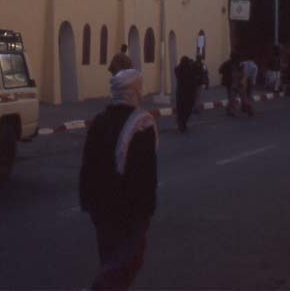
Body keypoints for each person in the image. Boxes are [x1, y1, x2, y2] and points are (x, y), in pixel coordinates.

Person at [79, 69, 158, 290]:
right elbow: (145, 173)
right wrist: (146, 208)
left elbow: (88, 164)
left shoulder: (100, 121)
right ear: (135, 91)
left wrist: (87, 199)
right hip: (128, 207)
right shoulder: (141, 125)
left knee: (110, 255)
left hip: (99, 204)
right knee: (128, 260)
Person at [174, 56, 200, 133]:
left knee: (180, 109)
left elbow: (176, 69)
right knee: (187, 109)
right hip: (189, 93)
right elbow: (196, 74)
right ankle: (183, 123)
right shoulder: (190, 69)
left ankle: (181, 124)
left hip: (180, 93)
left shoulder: (179, 69)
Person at [219, 52, 241, 117]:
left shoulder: (229, 63)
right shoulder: (233, 64)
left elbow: (220, 70)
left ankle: (229, 109)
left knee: (231, 97)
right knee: (232, 97)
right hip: (232, 82)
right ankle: (232, 111)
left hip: (232, 82)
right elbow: (220, 70)